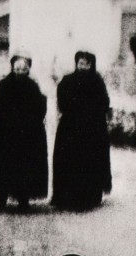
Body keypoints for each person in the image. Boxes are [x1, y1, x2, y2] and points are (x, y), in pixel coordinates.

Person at [0, 51, 48, 212]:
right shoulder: (5, 84)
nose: (19, 72)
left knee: (25, 169)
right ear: (12, 68)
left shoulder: (33, 86)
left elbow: (40, 109)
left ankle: (23, 201)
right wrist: (9, 123)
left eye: (23, 70)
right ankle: (2, 200)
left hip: (27, 135)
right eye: (16, 69)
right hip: (7, 134)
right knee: (5, 168)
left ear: (27, 70)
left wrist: (30, 123)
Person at [51, 51, 112, 212]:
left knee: (91, 161)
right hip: (71, 127)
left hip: (92, 129)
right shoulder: (68, 80)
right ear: (76, 63)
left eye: (86, 64)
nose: (83, 66)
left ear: (91, 65)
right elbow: (62, 101)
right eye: (80, 63)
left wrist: (93, 113)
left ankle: (90, 197)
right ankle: (66, 197)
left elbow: (104, 102)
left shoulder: (97, 82)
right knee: (69, 160)